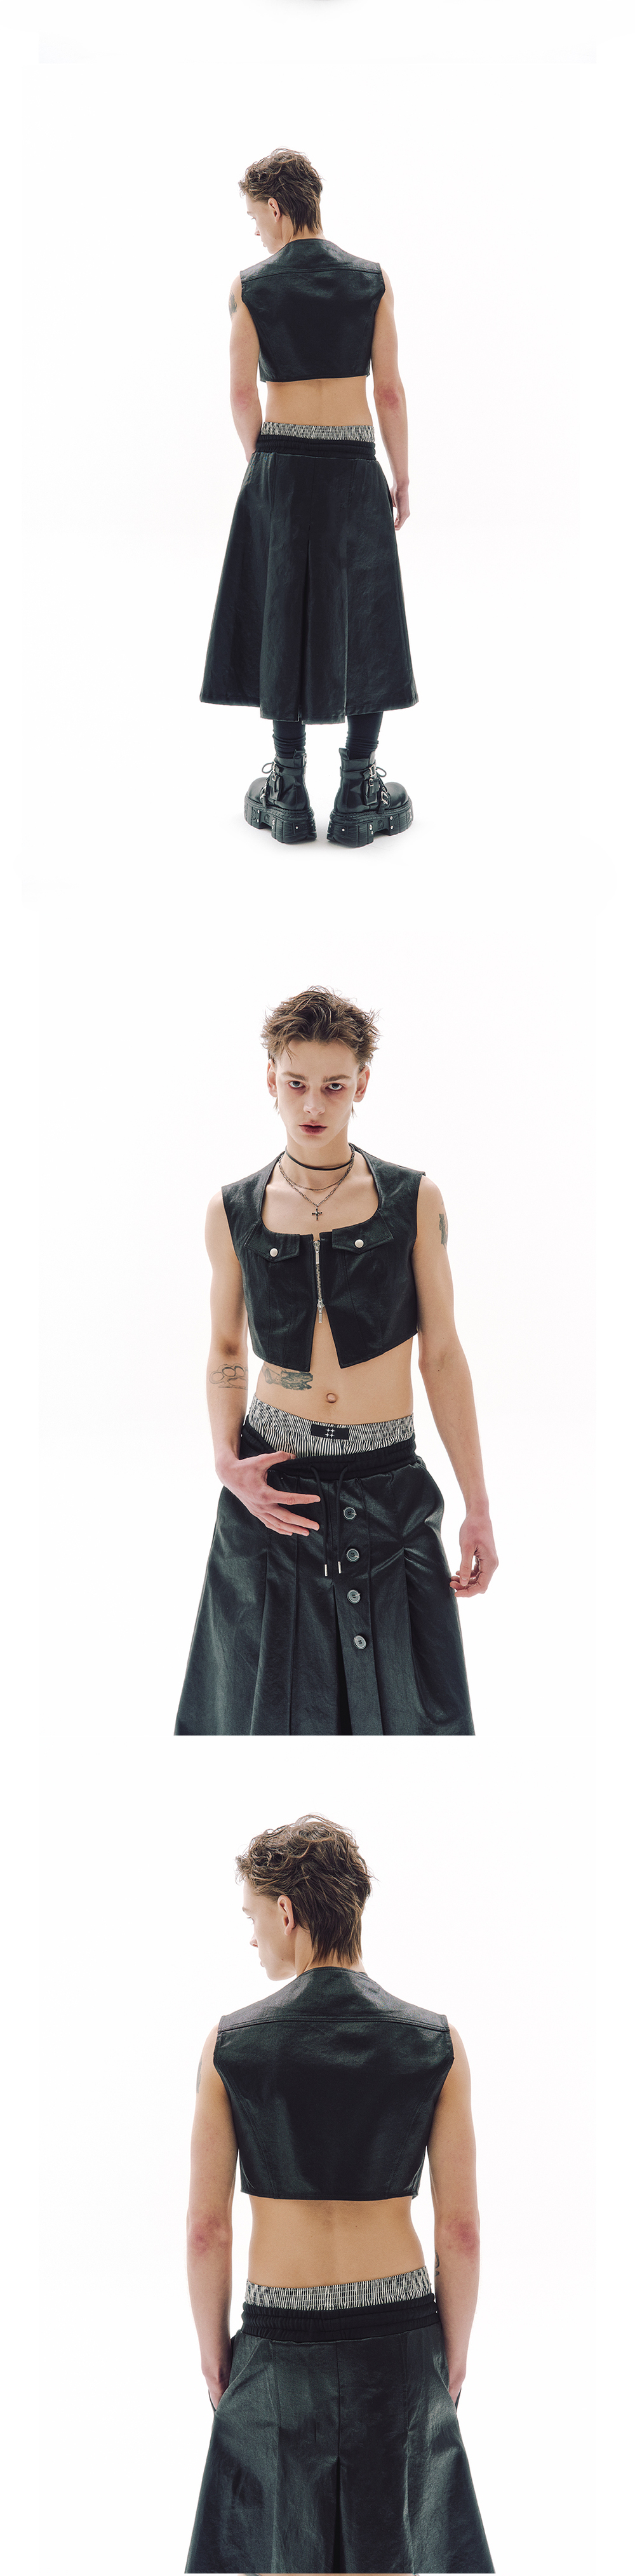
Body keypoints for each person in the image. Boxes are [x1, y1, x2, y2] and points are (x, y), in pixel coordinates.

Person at [175, 983, 498, 1736]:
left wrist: (477, 1506)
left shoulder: (414, 1200)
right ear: (270, 1079)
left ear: (362, 1084)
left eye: (333, 1085)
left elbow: (442, 1355)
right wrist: (225, 1461)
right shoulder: (232, 1209)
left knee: (411, 1714)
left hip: (388, 1482)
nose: (313, 1104)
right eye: (296, 1083)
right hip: (273, 1484)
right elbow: (225, 1347)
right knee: (257, 1716)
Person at [185, 1815, 493, 2575]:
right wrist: (450, 2358)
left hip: (277, 2340)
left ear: (287, 1911)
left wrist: (216, 2357)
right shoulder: (436, 2043)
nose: (252, 1937)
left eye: (253, 1917)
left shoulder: (230, 2045)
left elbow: (206, 2230)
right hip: (399, 2338)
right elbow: (459, 2231)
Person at [200, 147, 418, 847]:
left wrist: (264, 467)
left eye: (253, 217)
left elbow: (241, 394)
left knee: (282, 610)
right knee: (367, 613)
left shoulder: (249, 287)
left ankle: (289, 789)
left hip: (283, 464)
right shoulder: (372, 280)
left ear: (275, 206)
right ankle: (357, 791)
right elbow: (389, 391)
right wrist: (400, 474)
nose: (254, 231)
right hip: (354, 462)